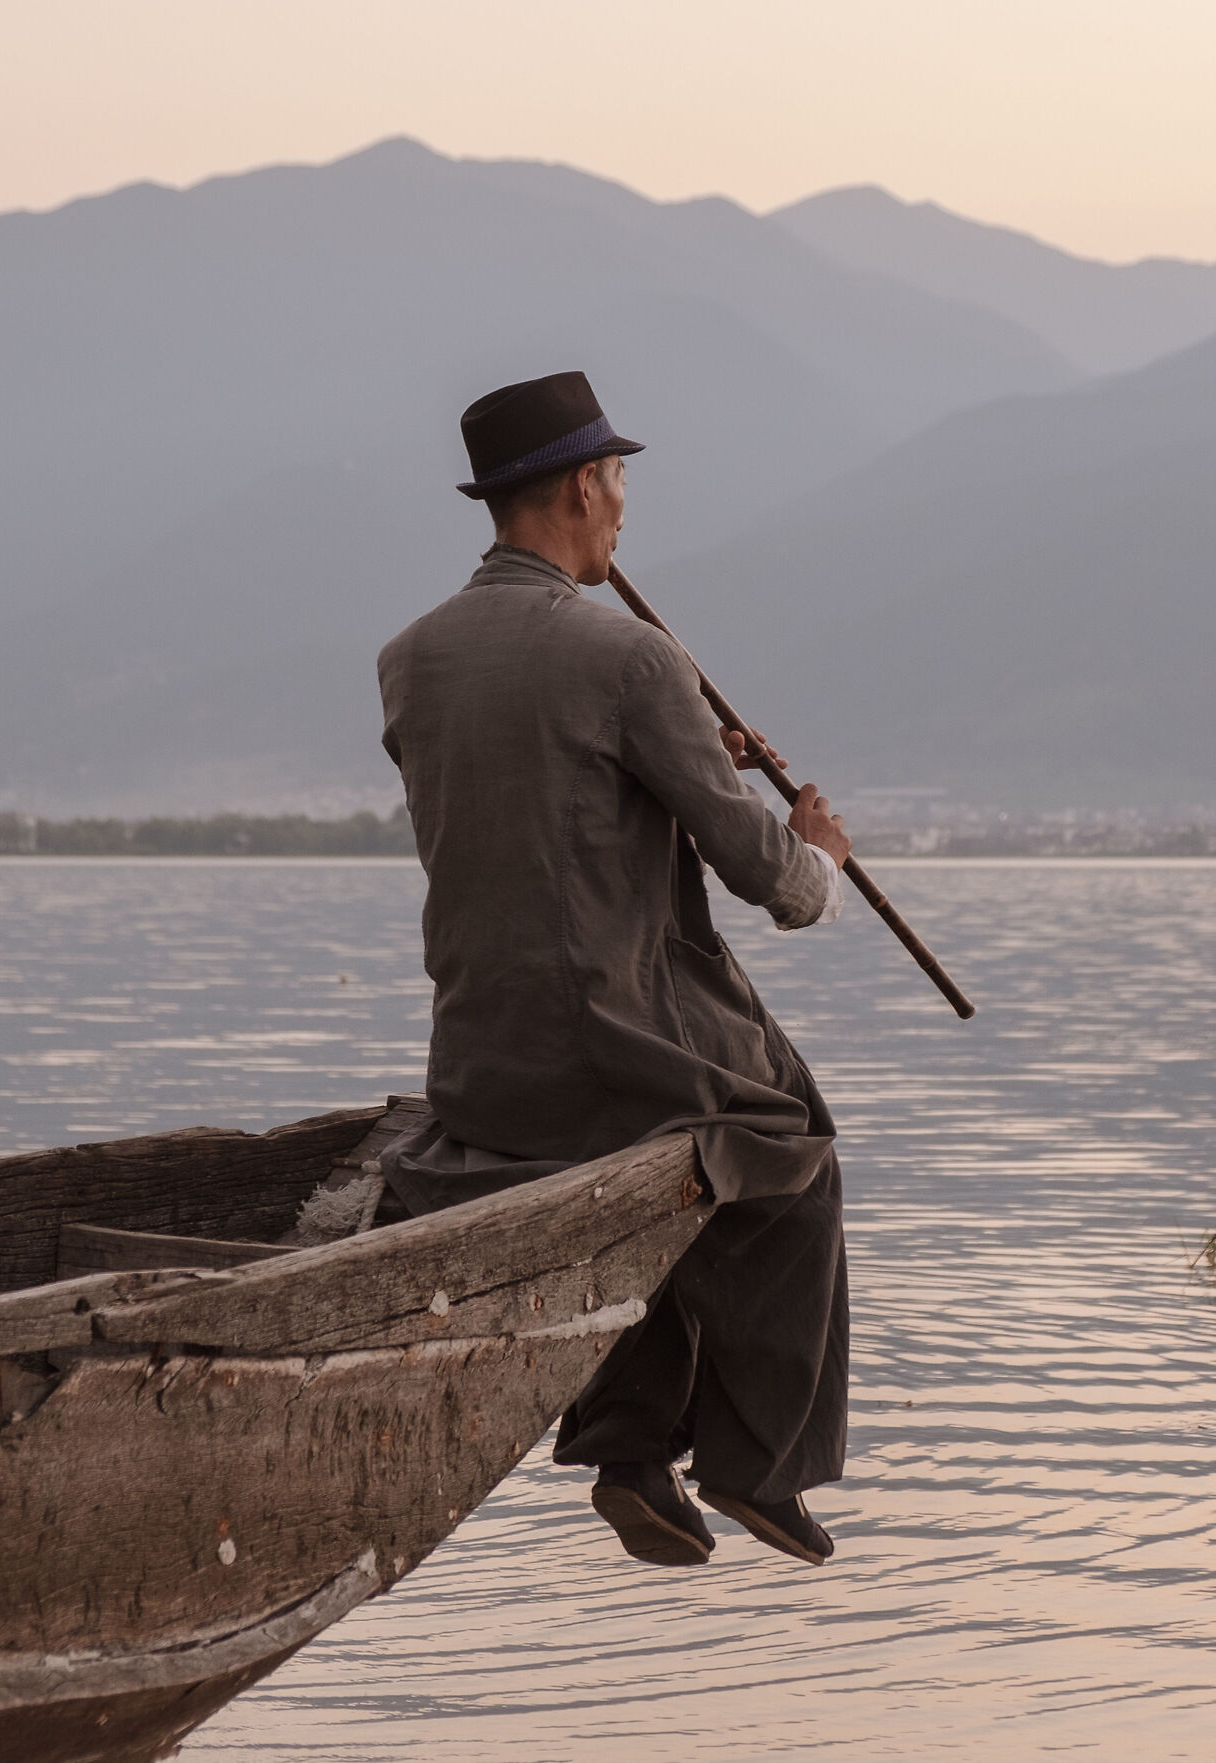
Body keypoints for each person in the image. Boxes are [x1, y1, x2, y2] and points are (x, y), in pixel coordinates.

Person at [376, 371, 853, 1568]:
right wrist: (817, 847)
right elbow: (776, 886)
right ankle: (760, 1462)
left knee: (652, 1168)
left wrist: (692, 746)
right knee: (790, 1142)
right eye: (621, 480)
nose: (627, 506)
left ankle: (634, 1449)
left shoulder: (411, 658)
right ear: (584, 487)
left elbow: (542, 795)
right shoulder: (632, 657)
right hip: (617, 1043)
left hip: (482, 1063)